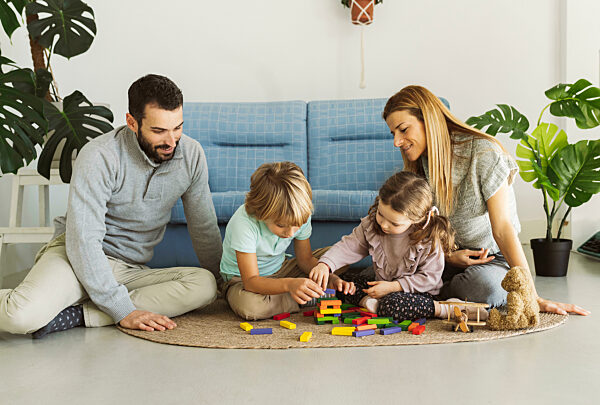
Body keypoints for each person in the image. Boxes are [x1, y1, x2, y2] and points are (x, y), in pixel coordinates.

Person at [0, 74, 223, 338]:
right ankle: (93, 303)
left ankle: (80, 315)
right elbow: (84, 240)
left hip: (129, 270)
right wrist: (121, 309)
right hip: (75, 259)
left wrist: (225, 281)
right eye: (159, 131)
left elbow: (204, 228)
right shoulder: (99, 156)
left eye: (178, 127)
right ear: (132, 122)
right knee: (20, 316)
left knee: (205, 286)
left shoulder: (192, 155)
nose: (171, 141)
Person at [381, 85, 589, 316]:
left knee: (485, 288)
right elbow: (422, 231)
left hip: (491, 259)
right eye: (394, 134)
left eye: (403, 129)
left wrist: (532, 297)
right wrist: (448, 257)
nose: (397, 142)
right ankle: (433, 294)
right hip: (441, 260)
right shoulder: (419, 165)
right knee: (381, 272)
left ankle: (427, 294)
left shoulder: (483, 153)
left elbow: (503, 229)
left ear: (427, 120)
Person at [311, 172, 475, 321]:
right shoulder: (371, 226)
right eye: (381, 214)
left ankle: (444, 309)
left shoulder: (428, 238)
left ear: (417, 220)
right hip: (382, 288)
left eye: (394, 223)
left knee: (392, 305)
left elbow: (429, 279)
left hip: (417, 294)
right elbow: (349, 246)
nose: (384, 225)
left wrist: (393, 287)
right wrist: (325, 264)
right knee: (343, 283)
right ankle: (370, 303)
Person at [220, 161, 355, 320]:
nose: (290, 233)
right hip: (242, 280)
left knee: (341, 257)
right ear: (261, 213)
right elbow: (251, 281)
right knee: (252, 307)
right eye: (281, 225)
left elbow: (305, 260)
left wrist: (330, 277)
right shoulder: (244, 224)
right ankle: (308, 296)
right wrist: (290, 285)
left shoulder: (300, 213)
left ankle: (307, 290)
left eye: (296, 226)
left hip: (282, 268)